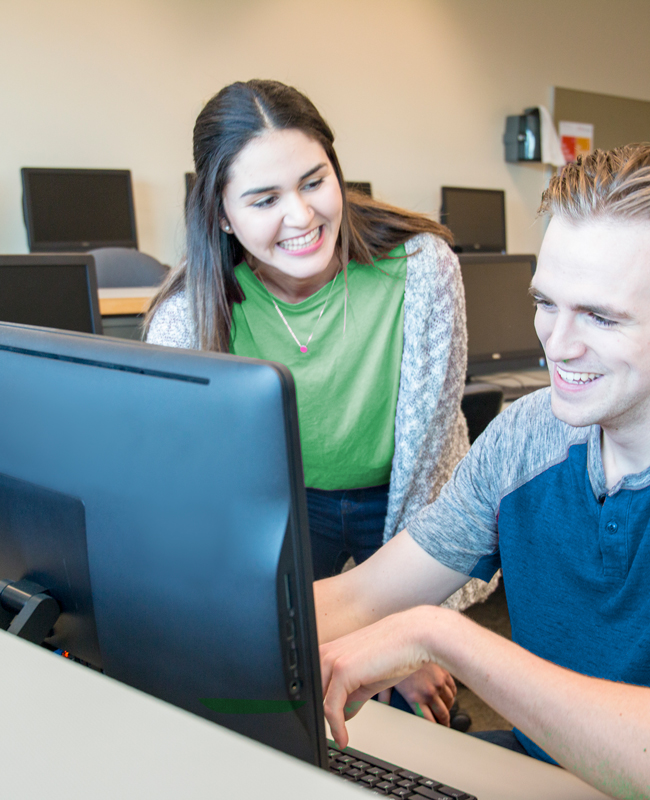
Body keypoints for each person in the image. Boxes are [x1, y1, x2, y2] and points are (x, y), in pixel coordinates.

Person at [315, 144, 650, 799]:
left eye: (602, 316)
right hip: (545, 775)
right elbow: (362, 598)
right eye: (547, 302)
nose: (558, 343)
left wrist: (441, 635)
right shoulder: (528, 433)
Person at [146, 79, 493, 725]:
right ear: (221, 213)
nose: (302, 216)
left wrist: (409, 631)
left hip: (402, 496)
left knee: (398, 696)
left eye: (314, 181)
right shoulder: (188, 318)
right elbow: (209, 508)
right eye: (264, 199)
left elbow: (427, 463)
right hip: (284, 507)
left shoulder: (422, 270)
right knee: (276, 677)